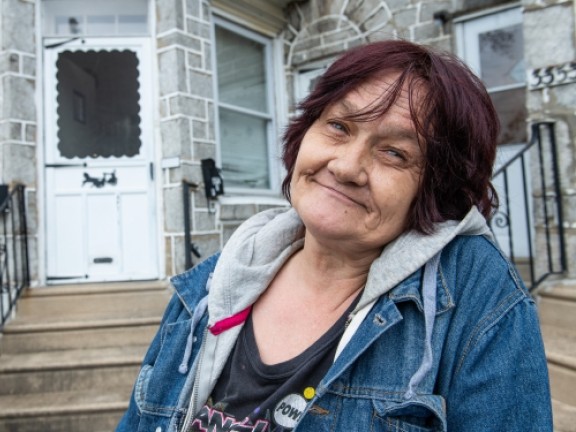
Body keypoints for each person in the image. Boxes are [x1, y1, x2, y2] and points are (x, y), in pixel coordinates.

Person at [117, 40, 552, 432]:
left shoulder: (477, 297)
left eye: (394, 153)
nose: (345, 166)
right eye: (339, 127)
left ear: (435, 189)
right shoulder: (212, 286)